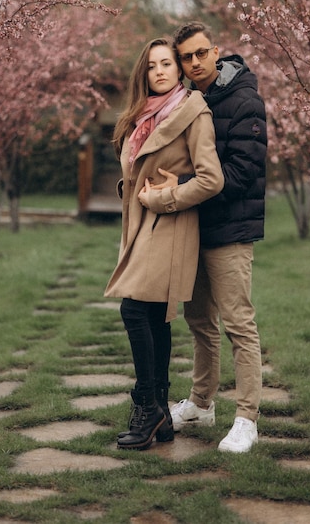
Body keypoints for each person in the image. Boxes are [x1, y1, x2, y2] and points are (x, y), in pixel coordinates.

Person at [104, 37, 224, 451]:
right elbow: (141, 168)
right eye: (152, 65)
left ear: (178, 70)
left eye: (167, 63)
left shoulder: (193, 112)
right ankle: (160, 418)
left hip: (170, 225)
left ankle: (147, 405)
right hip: (142, 225)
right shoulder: (142, 116)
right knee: (153, 316)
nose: (159, 71)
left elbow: (211, 179)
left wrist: (161, 198)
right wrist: (133, 186)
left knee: (133, 308)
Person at [157, 21, 267, 453]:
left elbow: (242, 174)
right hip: (193, 228)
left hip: (230, 229)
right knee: (199, 321)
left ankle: (247, 418)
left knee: (238, 323)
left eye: (202, 53)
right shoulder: (186, 100)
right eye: (187, 56)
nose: (195, 62)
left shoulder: (244, 99)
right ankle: (202, 404)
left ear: (216, 52)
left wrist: (184, 186)